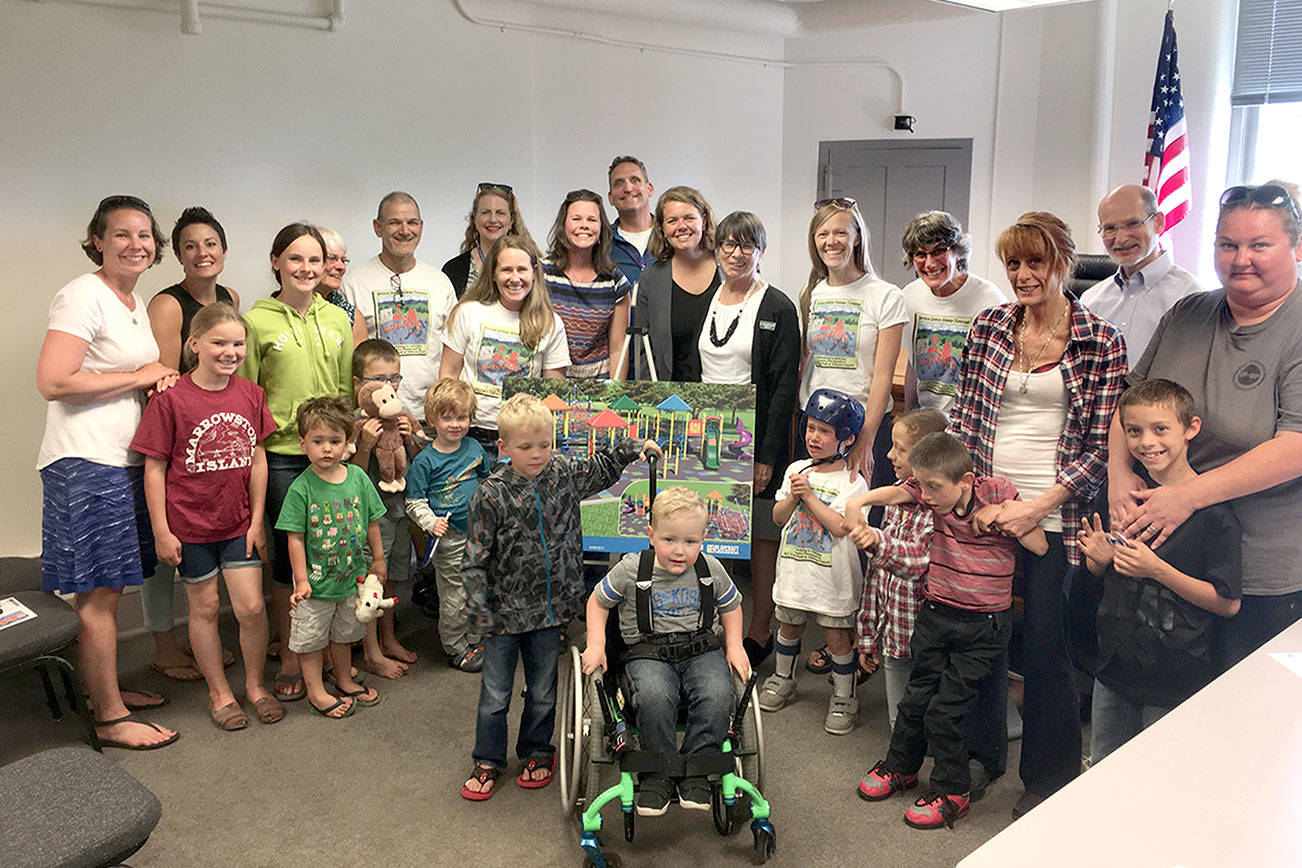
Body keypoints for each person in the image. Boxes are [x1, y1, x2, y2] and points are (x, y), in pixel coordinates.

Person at [950, 211, 1126, 816]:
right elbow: (964, 417)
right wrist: (973, 498)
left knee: (1048, 647)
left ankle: (1048, 779)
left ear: (1063, 263)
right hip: (987, 507)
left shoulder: (1100, 340)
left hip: (1057, 518)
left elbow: (1102, 447)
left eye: (1036, 262)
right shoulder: (989, 325)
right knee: (980, 636)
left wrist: (1039, 505)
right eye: (1014, 263)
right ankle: (979, 756)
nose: (1023, 274)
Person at [1111, 182, 1302, 667]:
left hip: (1261, 571)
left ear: (1297, 248)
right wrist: (1118, 472)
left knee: (1244, 705)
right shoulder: (1188, 313)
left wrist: (1188, 496)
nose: (1242, 259)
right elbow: (1130, 402)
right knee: (1161, 698)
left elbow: (1295, 447)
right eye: (1228, 244)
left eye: (1260, 245)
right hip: (1166, 557)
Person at [459, 394, 661, 800]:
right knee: (495, 695)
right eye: (525, 447)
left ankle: (537, 751)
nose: (537, 454)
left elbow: (602, 465)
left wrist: (633, 447)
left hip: (550, 613)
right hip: (502, 615)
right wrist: (479, 613)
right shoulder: (490, 494)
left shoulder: (564, 473)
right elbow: (474, 559)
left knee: (543, 690)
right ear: (503, 447)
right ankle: (488, 760)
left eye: (545, 445)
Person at [36, 194, 179, 749]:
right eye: (122, 234)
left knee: (112, 588)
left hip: (122, 459)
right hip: (85, 460)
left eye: (144, 235)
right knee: (99, 594)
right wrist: (142, 375)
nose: (135, 244)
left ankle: (103, 693)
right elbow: (54, 381)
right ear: (98, 240)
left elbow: (121, 373)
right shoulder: (82, 294)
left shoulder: (133, 301)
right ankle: (110, 718)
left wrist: (155, 379)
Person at [853, 433, 1047, 830]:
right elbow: (897, 493)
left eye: (933, 487)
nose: (925, 496)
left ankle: (952, 792)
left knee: (946, 711)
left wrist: (1001, 515)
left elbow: (1040, 545)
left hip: (983, 626)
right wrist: (858, 502)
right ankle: (901, 767)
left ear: (967, 480)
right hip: (936, 614)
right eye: (921, 486)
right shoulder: (930, 495)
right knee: (915, 699)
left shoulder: (998, 492)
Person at [131, 302, 282, 730]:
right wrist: (161, 530)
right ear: (194, 344)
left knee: (251, 606)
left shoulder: (251, 394)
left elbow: (258, 459)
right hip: (190, 526)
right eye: (219, 343)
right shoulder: (170, 399)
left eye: (238, 344)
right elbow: (154, 469)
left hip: (238, 522)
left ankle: (255, 686)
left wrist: (256, 520)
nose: (230, 352)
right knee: (206, 607)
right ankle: (220, 694)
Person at [1081, 379, 1240, 762]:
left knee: (1162, 772)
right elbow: (1101, 572)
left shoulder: (1214, 516)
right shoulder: (1122, 498)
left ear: (1190, 428)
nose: (1146, 442)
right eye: (1134, 431)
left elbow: (1227, 603)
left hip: (1175, 679)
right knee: (1104, 769)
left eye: (1160, 429)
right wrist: (1099, 560)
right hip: (1114, 669)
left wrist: (1157, 569)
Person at [238, 222, 354, 703]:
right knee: (291, 559)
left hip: (333, 453)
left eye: (315, 260)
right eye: (295, 259)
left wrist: (349, 446)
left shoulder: (338, 319)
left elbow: (345, 390)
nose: (306, 269)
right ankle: (290, 655)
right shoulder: (255, 322)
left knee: (334, 549)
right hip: (285, 456)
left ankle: (324, 649)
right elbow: (247, 395)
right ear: (276, 262)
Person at [581, 487, 750, 816]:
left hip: (700, 649)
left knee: (718, 693)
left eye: (690, 541)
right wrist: (597, 644)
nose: (679, 551)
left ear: (703, 539)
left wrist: (735, 646)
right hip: (647, 652)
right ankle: (657, 773)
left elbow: (731, 606)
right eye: (669, 540)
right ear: (651, 535)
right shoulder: (631, 569)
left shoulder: (711, 569)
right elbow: (598, 602)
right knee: (655, 696)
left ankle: (698, 770)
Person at [694, 211, 800, 668]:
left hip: (755, 435)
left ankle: (759, 631)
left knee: (760, 536)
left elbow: (784, 388)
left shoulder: (777, 307)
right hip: (708, 433)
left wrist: (767, 456)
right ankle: (717, 624)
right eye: (728, 244)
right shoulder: (708, 298)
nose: (736, 253)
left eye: (746, 245)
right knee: (714, 529)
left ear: (761, 251)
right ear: (717, 249)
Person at [142, 206, 241, 681]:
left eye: (210, 244)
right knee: (165, 547)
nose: (202, 253)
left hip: (215, 431)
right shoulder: (167, 304)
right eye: (190, 246)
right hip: (176, 434)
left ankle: (204, 641)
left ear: (224, 249)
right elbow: (164, 380)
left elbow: (231, 363)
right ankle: (164, 647)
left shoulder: (230, 297)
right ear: (178, 255)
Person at [757, 389, 867, 736]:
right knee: (789, 626)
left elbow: (841, 526)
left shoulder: (853, 481)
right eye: (811, 428)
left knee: (836, 638)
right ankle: (783, 678)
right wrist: (793, 495)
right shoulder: (796, 469)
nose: (814, 437)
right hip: (795, 572)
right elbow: (778, 517)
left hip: (833, 579)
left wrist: (809, 496)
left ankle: (844, 697)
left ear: (846, 438)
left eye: (824, 431)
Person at [276, 397, 385, 719]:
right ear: (303, 444)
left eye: (335, 441)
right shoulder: (300, 489)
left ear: (348, 442)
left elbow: (372, 520)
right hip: (315, 585)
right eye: (318, 441)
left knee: (344, 635)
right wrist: (301, 580)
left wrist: (379, 558)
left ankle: (343, 678)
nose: (327, 449)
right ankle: (316, 691)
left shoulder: (358, 478)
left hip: (352, 579)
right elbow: (294, 538)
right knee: (311, 640)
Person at [848, 408, 948, 730]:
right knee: (900, 724)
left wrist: (876, 541)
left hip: (927, 643)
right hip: (893, 640)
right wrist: (867, 635)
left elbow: (917, 561)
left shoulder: (939, 511)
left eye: (900, 449)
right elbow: (876, 578)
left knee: (933, 721)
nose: (890, 455)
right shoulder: (895, 498)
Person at [799, 198, 906, 487]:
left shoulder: (886, 296)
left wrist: (866, 440)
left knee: (860, 512)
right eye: (823, 234)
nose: (831, 241)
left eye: (840, 232)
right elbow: (808, 363)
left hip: (862, 428)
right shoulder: (812, 293)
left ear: (857, 237)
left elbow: (883, 377)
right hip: (816, 428)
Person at [439, 235, 570, 458]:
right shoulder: (468, 312)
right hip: (470, 436)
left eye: (522, 269)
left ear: (534, 272)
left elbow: (553, 393)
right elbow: (448, 376)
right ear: (493, 273)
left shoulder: (550, 323)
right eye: (506, 270)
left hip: (523, 439)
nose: (515, 278)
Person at [342, 191, 457, 415]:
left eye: (412, 222)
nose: (405, 231)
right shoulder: (354, 283)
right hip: (375, 414)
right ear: (378, 227)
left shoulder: (440, 283)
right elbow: (347, 359)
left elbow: (454, 352)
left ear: (421, 227)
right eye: (395, 222)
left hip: (431, 415)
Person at [406, 378, 492, 672]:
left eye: (462, 417)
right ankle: (456, 646)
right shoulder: (425, 462)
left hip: (479, 533)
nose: (455, 424)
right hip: (449, 539)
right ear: (432, 420)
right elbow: (413, 502)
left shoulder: (475, 448)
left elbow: (486, 482)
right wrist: (430, 522)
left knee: (479, 589)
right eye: (447, 418)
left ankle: (476, 639)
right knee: (455, 596)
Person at [349, 339, 422, 678]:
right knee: (371, 584)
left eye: (394, 378)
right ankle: (372, 652)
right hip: (371, 518)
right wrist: (365, 445)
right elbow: (350, 478)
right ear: (358, 384)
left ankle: (388, 638)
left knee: (392, 580)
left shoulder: (402, 416)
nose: (388, 385)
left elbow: (418, 463)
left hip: (399, 511)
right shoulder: (355, 424)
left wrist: (411, 439)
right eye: (379, 378)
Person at [1080, 184, 1202, 363]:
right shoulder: (1090, 301)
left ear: (1158, 222)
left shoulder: (1191, 297)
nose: (1121, 239)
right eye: (1110, 228)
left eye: (1132, 224)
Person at [899, 211, 1006, 415]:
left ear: (958, 252)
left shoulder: (991, 301)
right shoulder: (909, 296)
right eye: (921, 254)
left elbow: (998, 378)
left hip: (971, 419)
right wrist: (908, 414)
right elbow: (913, 366)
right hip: (926, 418)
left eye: (938, 251)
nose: (930, 263)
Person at [542, 189, 632, 379]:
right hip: (549, 380)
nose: (584, 225)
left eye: (592, 219)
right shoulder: (542, 274)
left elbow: (618, 348)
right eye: (576, 219)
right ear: (563, 225)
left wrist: (614, 392)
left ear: (601, 228)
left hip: (599, 383)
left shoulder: (615, 282)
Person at [635, 186, 721, 381]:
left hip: (724, 391)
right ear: (662, 229)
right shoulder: (651, 279)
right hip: (670, 393)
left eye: (689, 218)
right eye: (672, 221)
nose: (681, 226)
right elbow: (643, 351)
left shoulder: (727, 269)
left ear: (704, 221)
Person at [442, 183, 532, 300]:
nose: (493, 219)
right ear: (474, 219)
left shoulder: (529, 266)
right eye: (486, 212)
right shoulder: (454, 269)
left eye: (500, 213)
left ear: (511, 221)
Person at [607, 156, 657, 289]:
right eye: (619, 183)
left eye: (635, 180)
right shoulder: (601, 243)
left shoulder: (670, 236)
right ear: (610, 198)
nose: (628, 188)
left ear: (650, 189)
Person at [317, 226, 369, 348]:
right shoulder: (283, 308)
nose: (342, 267)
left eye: (343, 260)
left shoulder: (351, 316)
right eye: (332, 258)